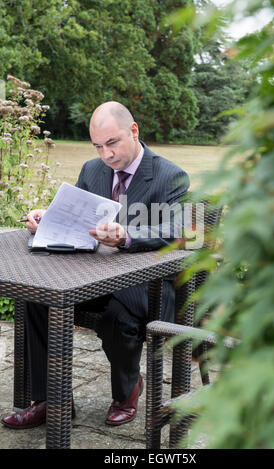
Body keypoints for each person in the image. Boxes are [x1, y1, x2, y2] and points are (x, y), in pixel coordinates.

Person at [1, 101, 189, 429]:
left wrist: (126, 235)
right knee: (36, 297)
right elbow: (78, 215)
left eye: (112, 143)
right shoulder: (91, 170)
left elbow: (175, 230)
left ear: (134, 131)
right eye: (98, 146)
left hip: (150, 287)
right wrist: (47, 218)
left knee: (120, 312)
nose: (106, 155)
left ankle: (127, 391)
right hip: (96, 278)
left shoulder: (169, 175)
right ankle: (50, 398)